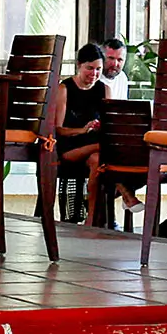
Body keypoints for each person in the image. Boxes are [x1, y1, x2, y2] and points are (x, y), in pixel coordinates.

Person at [45, 43, 110, 222]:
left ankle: (91, 217)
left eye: (98, 69)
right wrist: (83, 129)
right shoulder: (64, 89)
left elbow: (111, 124)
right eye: (89, 68)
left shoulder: (104, 89)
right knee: (104, 146)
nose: (94, 74)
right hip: (70, 146)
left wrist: (98, 127)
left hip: (94, 147)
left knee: (97, 159)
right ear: (79, 65)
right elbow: (58, 129)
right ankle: (126, 193)